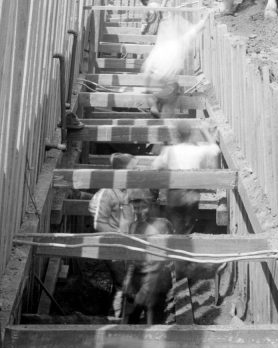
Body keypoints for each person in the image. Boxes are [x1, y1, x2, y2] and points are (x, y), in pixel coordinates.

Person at [88, 153, 137, 319]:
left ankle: (126, 316)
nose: (137, 172)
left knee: (128, 283)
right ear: (122, 172)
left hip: (128, 244)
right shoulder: (107, 193)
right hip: (114, 247)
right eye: (133, 169)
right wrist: (118, 236)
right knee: (122, 286)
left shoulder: (128, 190)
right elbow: (99, 224)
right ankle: (115, 320)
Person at [151, 123, 221, 236]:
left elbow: (155, 165)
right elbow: (215, 149)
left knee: (175, 228)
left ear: (177, 135)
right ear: (190, 134)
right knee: (187, 228)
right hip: (192, 197)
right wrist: (205, 131)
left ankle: (177, 244)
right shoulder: (198, 150)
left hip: (175, 196)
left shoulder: (170, 150)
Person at [122, 188, 174, 324]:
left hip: (156, 281)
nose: (139, 212)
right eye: (135, 208)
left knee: (154, 321)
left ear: (151, 206)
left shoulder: (161, 226)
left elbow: (159, 264)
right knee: (130, 319)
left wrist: (145, 290)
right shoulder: (133, 227)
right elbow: (132, 258)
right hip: (138, 277)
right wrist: (128, 278)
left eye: (143, 207)